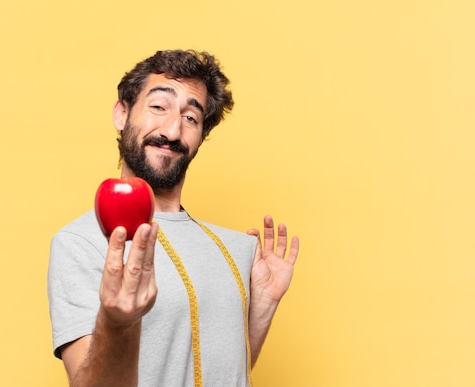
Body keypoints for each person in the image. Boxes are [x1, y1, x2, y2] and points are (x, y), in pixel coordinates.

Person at [48, 49, 300, 387]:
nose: (172, 129)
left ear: (200, 139)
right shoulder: (83, 241)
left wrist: (262, 306)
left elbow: (222, 372)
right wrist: (118, 321)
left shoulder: (237, 250)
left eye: (191, 118)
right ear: (122, 113)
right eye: (158, 107)